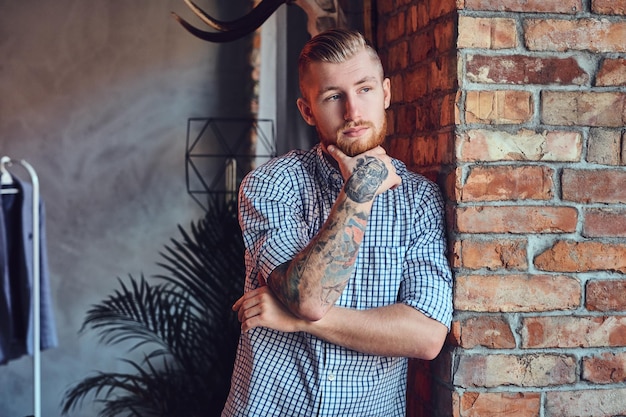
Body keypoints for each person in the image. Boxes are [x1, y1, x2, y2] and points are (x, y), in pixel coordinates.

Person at [221, 28, 453, 417]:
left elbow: (427, 336)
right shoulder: (271, 184)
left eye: (364, 89)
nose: (353, 111)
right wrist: (360, 188)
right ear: (307, 110)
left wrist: (301, 323)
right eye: (333, 96)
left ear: (386, 94)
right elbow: (308, 298)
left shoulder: (420, 200)